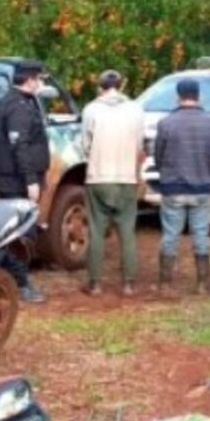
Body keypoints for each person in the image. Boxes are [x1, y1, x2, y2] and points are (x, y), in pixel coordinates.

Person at [152, 78, 210, 295]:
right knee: (201, 234)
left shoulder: (166, 123)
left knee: (170, 234)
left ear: (178, 97)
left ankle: (165, 284)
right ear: (199, 97)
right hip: (202, 186)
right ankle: (203, 284)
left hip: (173, 186)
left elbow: (158, 157)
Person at [80, 70, 144, 297]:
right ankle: (129, 284)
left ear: (100, 87)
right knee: (127, 232)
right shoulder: (135, 109)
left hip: (98, 177)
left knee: (97, 231)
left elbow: (85, 145)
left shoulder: (91, 109)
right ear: (121, 85)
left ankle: (95, 284)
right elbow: (139, 144)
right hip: (126, 176)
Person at [0, 59, 50, 304]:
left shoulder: (20, 101)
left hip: (17, 179)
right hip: (17, 182)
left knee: (23, 234)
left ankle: (18, 281)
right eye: (40, 78)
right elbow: (20, 145)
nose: (42, 82)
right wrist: (30, 181)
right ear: (30, 79)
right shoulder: (18, 106)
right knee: (19, 237)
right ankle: (21, 285)